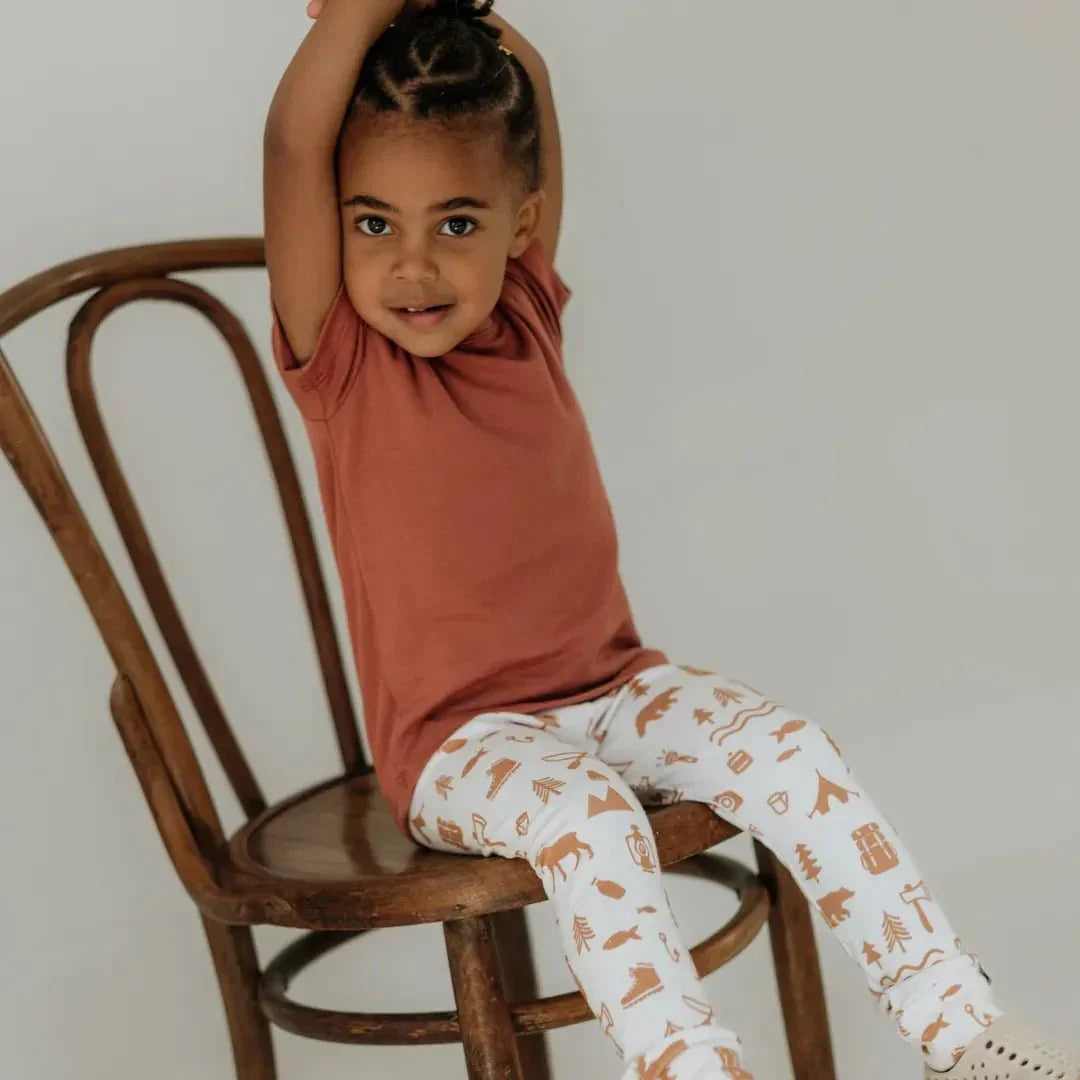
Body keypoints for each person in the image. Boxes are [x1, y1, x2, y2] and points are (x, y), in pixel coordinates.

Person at [262, 2, 1078, 1077]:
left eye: (457, 223)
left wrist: (458, 12)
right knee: (596, 821)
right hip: (461, 745)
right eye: (374, 225)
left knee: (790, 749)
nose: (413, 267)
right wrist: (362, 14)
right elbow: (290, 144)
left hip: (614, 689)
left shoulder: (524, 309)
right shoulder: (344, 359)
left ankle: (960, 1031)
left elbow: (531, 95)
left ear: (522, 221)